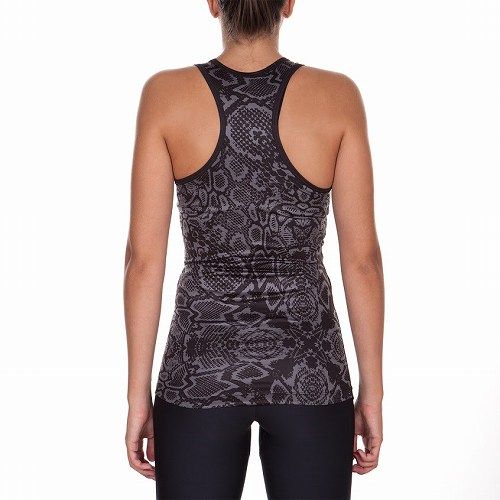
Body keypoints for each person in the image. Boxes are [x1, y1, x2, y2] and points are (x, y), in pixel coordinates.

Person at [123, 0, 384, 498]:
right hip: (310, 369)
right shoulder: (338, 96)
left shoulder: (165, 95)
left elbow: (143, 261)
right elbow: (363, 262)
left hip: (199, 368)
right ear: (288, 4)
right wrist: (372, 390)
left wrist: (138, 395)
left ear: (213, 3)